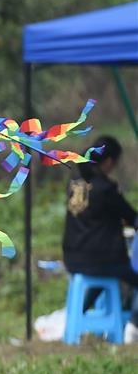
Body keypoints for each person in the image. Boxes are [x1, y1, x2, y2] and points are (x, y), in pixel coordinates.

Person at [62, 136, 138, 342]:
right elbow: (133, 218)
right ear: (109, 161)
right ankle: (134, 325)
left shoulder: (74, 183)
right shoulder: (106, 188)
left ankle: (81, 314)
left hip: (72, 258)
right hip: (102, 260)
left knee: (101, 275)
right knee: (129, 275)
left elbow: (93, 217)